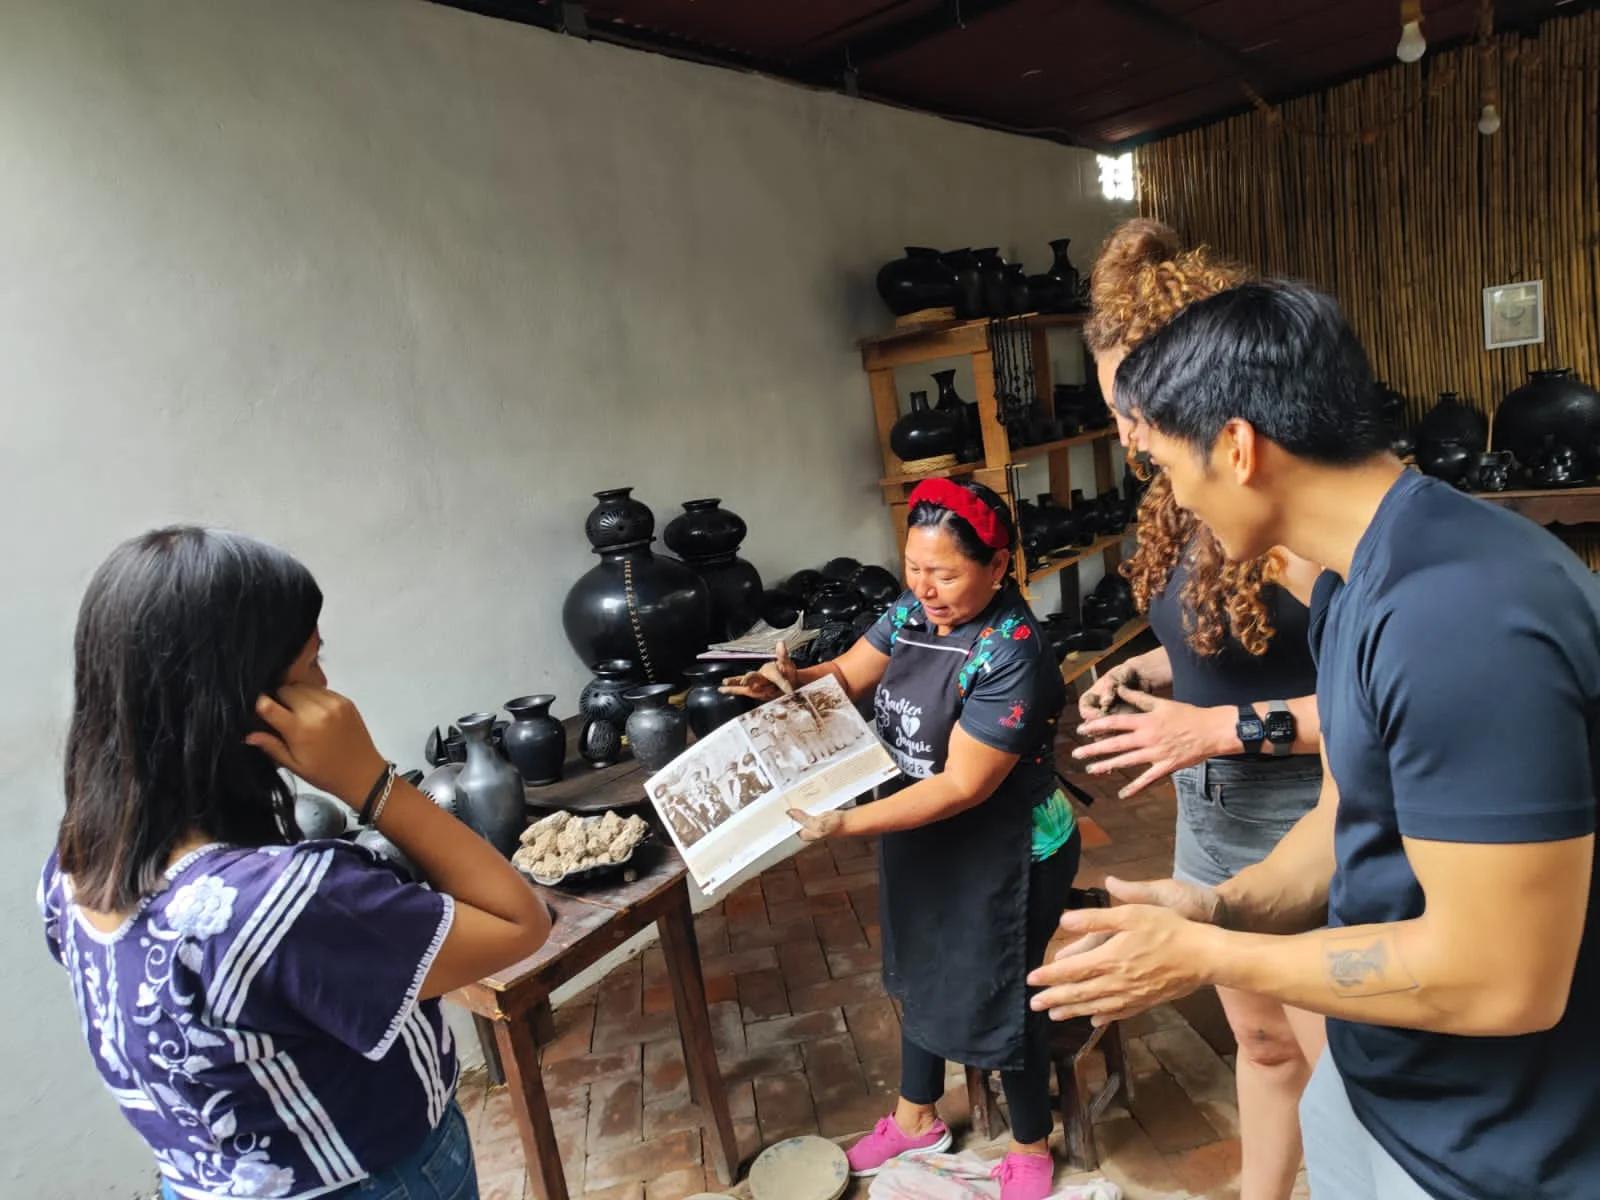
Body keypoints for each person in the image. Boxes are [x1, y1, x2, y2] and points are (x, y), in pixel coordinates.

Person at [1027, 282, 1600, 1200]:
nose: (1172, 498)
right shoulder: (1354, 584)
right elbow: (1346, 822)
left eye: (1169, 465)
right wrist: (1211, 910)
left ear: (1237, 447)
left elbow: (1504, 979)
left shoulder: (1459, 613)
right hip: (1382, 1088)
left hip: (1491, 1150)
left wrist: (1209, 959)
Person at [38, 527, 552, 1200]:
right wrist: (373, 783)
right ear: (242, 701)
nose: (328, 686)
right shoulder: (280, 905)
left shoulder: (74, 865)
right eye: (311, 663)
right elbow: (522, 922)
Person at [725, 479, 1079, 1200]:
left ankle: (1030, 1143)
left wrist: (845, 822)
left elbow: (962, 787)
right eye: (916, 569)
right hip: (922, 828)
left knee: (997, 986)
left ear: (999, 564)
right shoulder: (909, 612)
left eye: (946, 574)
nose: (927, 589)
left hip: (1010, 842)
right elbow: (848, 676)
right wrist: (790, 683)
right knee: (918, 964)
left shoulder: (1012, 649)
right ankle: (915, 1115)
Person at [1073, 219, 1325, 1200]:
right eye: (1112, 411)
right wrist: (1153, 675)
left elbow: (1374, 704)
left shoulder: (1287, 505)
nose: (1125, 434)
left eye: (1132, 406)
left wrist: (1213, 727)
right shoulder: (1182, 499)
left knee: (1340, 1071)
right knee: (1261, 1046)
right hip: (1210, 817)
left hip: (1306, 818)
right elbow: (1231, 643)